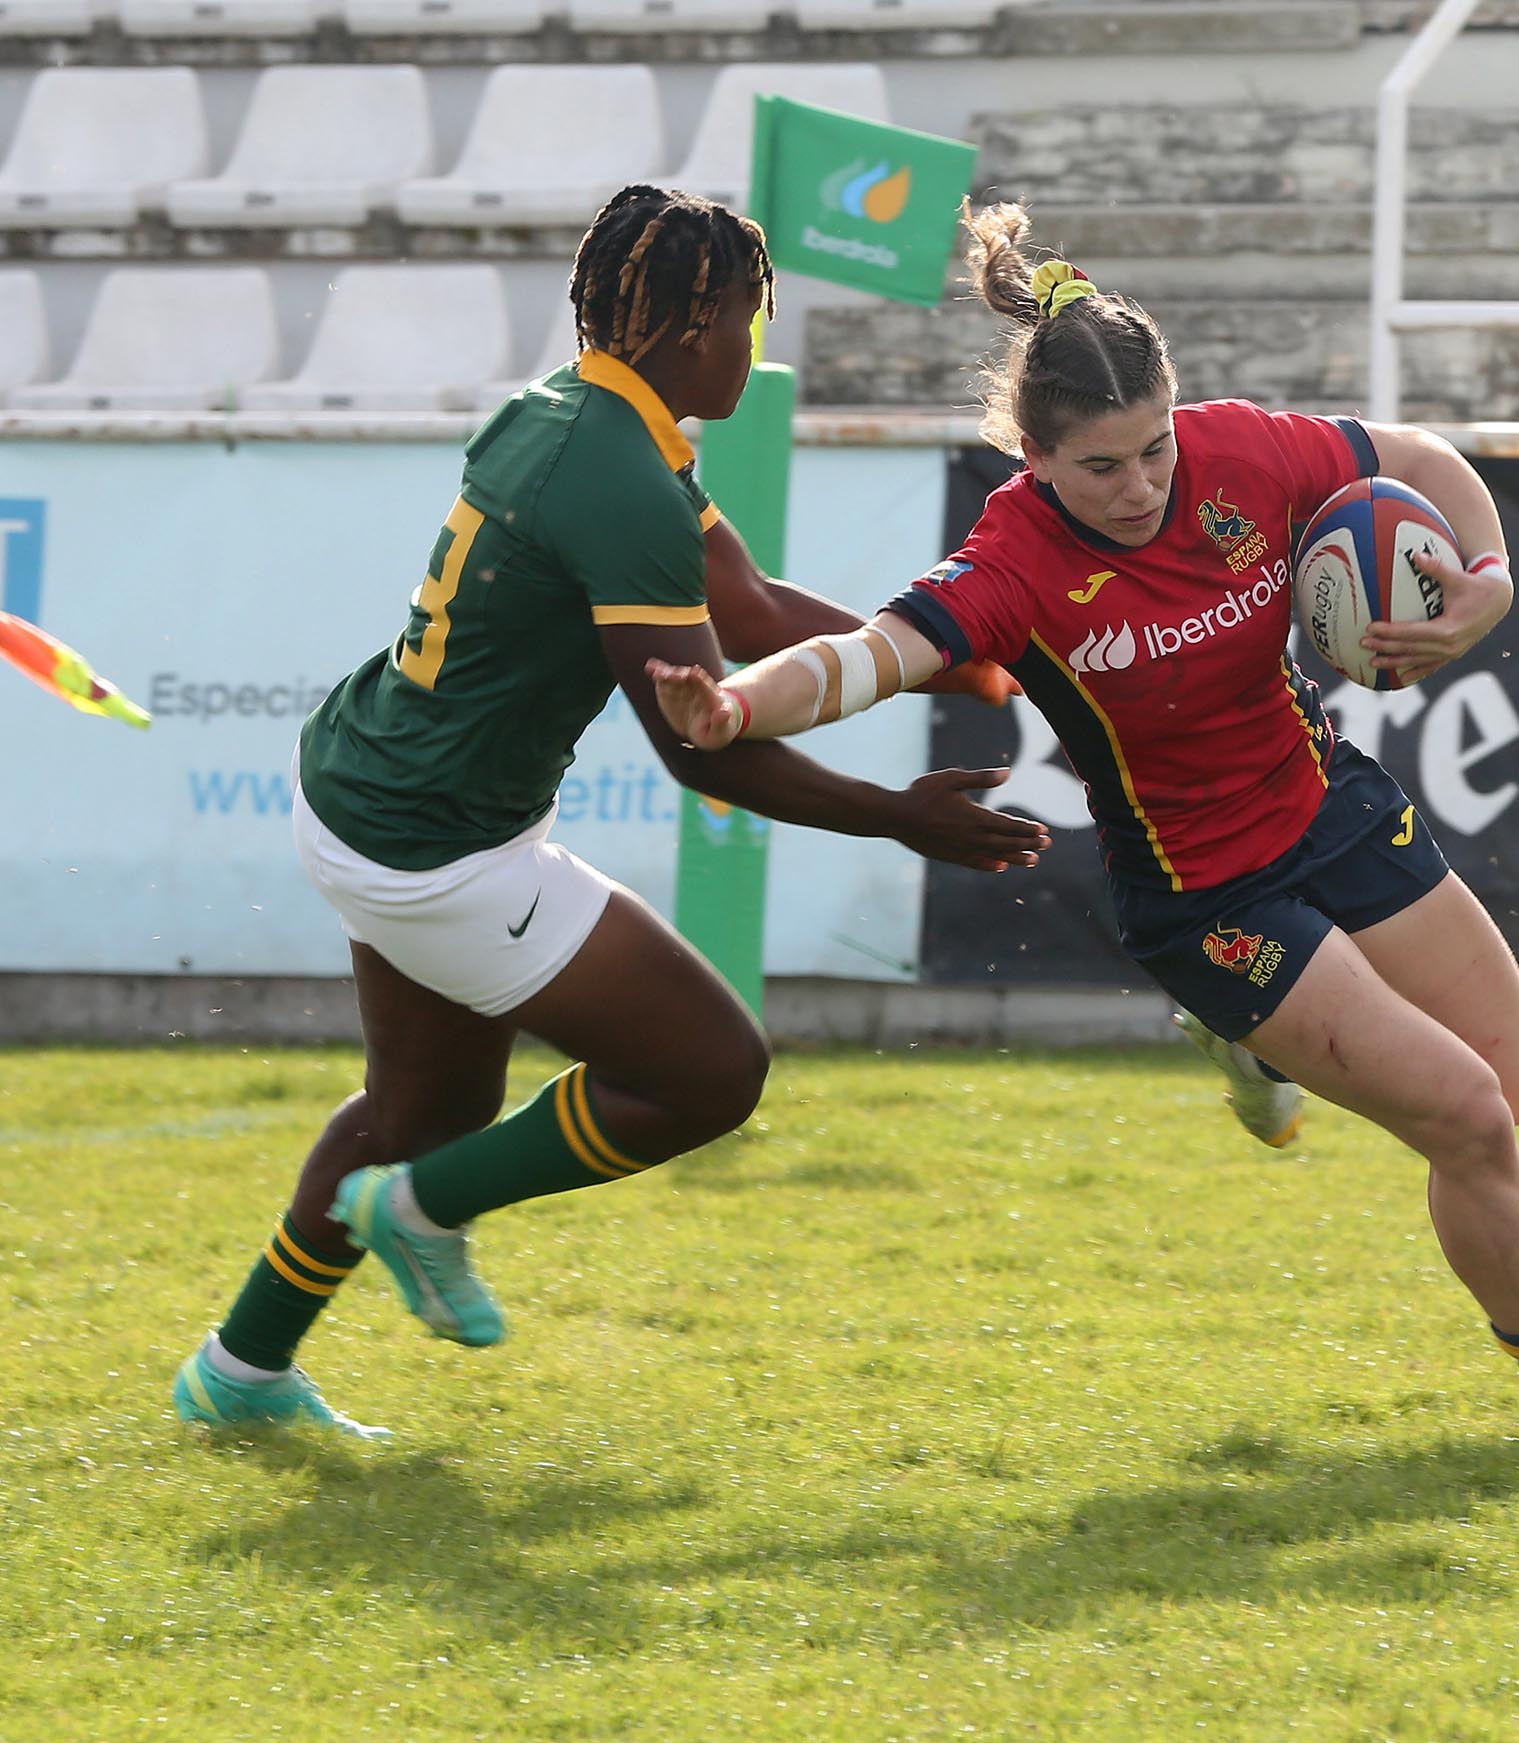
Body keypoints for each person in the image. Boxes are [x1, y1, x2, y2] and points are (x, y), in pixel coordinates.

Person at [647, 201, 1519, 1446]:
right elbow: (865, 658)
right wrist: (733, 705)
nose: (1140, 486)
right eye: (1101, 468)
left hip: (1330, 805)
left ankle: (1253, 1048)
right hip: (1207, 897)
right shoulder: (1010, 560)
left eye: (1154, 450)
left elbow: (1417, 457)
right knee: (1464, 1116)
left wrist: (1489, 580)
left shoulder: (1240, 451)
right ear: (1033, 457)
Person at [172, 186, 1049, 1440]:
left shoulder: (580, 414)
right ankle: (422, 1210)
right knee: (709, 1072)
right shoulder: (620, 478)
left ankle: (239, 1371)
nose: (753, 343)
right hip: (438, 850)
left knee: (419, 1116)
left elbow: (748, 607)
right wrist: (895, 817)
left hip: (368, 789)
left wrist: (936, 656)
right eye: (746, 318)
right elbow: (704, 753)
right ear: (692, 325)